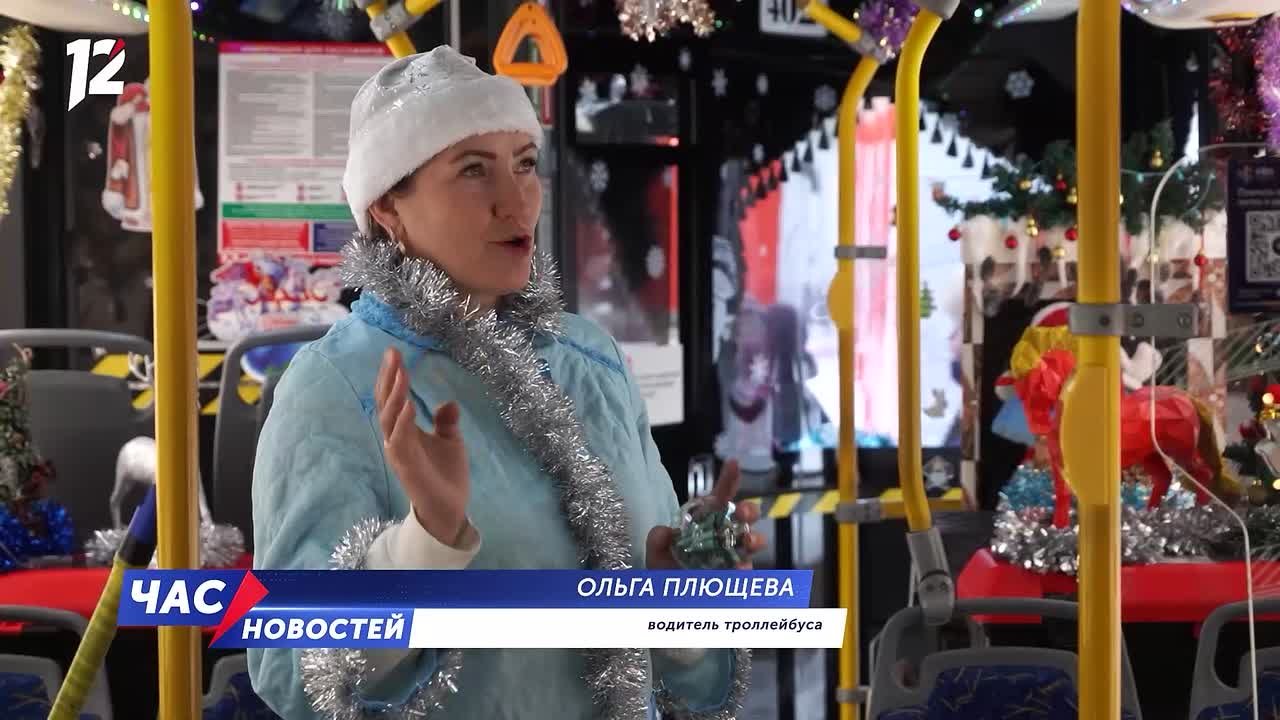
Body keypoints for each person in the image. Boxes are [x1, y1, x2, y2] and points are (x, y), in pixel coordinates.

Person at [248, 46, 764, 720]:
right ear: (387, 209)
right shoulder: (334, 388)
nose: (514, 201)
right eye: (472, 170)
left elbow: (680, 671)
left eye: (523, 164)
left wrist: (679, 597)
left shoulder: (593, 361)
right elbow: (292, 674)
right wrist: (426, 541)